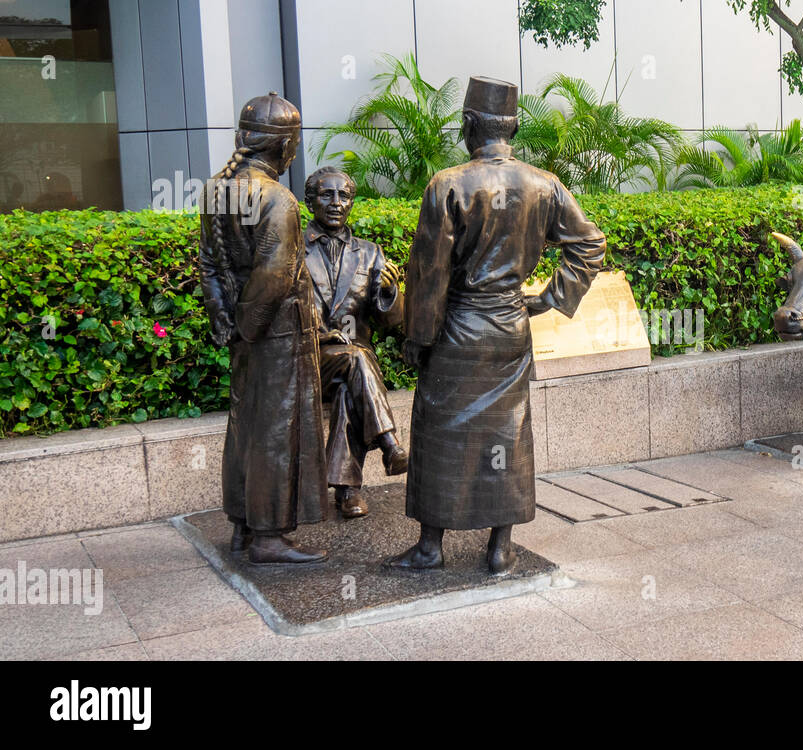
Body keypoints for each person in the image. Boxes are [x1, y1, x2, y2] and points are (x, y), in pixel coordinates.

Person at [387, 76, 606, 574]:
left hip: (459, 328)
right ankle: (499, 548)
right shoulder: (543, 184)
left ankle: (430, 547)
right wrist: (549, 297)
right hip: (509, 326)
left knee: (439, 430)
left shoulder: (448, 184)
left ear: (468, 125)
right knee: (506, 435)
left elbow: (429, 273)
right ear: (514, 127)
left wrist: (417, 339)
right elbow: (590, 245)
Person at [197, 92, 329, 565]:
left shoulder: (217, 191)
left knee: (246, 425)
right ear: (285, 146)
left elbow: (209, 267)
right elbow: (273, 277)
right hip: (276, 335)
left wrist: (228, 326)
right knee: (276, 429)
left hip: (243, 332)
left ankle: (241, 527)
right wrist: (251, 329)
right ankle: (269, 537)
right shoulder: (278, 199)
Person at [302, 166, 408, 519]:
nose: (335, 203)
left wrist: (390, 293)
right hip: (307, 358)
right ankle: (390, 445)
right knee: (357, 359)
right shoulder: (291, 251)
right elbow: (278, 306)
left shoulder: (370, 253)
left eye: (343, 196)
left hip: (351, 365)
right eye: (326, 195)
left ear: (351, 203)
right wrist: (318, 334)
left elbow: (390, 322)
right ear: (309, 201)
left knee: (352, 380)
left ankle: (348, 491)